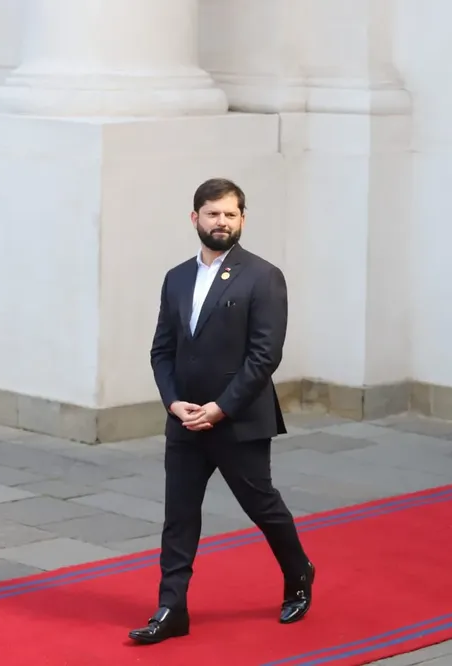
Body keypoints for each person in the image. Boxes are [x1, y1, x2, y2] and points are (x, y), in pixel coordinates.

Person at [128, 178, 315, 645]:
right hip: (186, 420)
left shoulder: (262, 276)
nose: (222, 222)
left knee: (263, 507)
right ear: (195, 218)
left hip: (238, 420)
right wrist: (174, 402)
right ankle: (172, 608)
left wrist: (221, 408)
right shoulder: (176, 278)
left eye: (231, 214)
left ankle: (298, 573)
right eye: (213, 214)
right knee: (180, 515)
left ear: (243, 220)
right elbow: (162, 351)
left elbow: (264, 356)